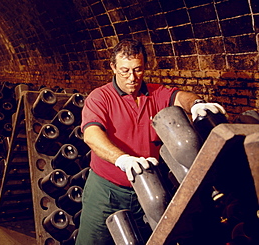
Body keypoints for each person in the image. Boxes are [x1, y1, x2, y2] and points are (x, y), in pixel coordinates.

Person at [75, 38, 226, 244]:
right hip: (107, 191)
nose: (132, 77)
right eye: (124, 70)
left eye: (137, 70)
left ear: (145, 66)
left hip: (148, 189)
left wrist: (197, 104)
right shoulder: (100, 97)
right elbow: (92, 135)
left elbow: (181, 97)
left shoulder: (156, 93)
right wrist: (123, 159)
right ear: (113, 67)